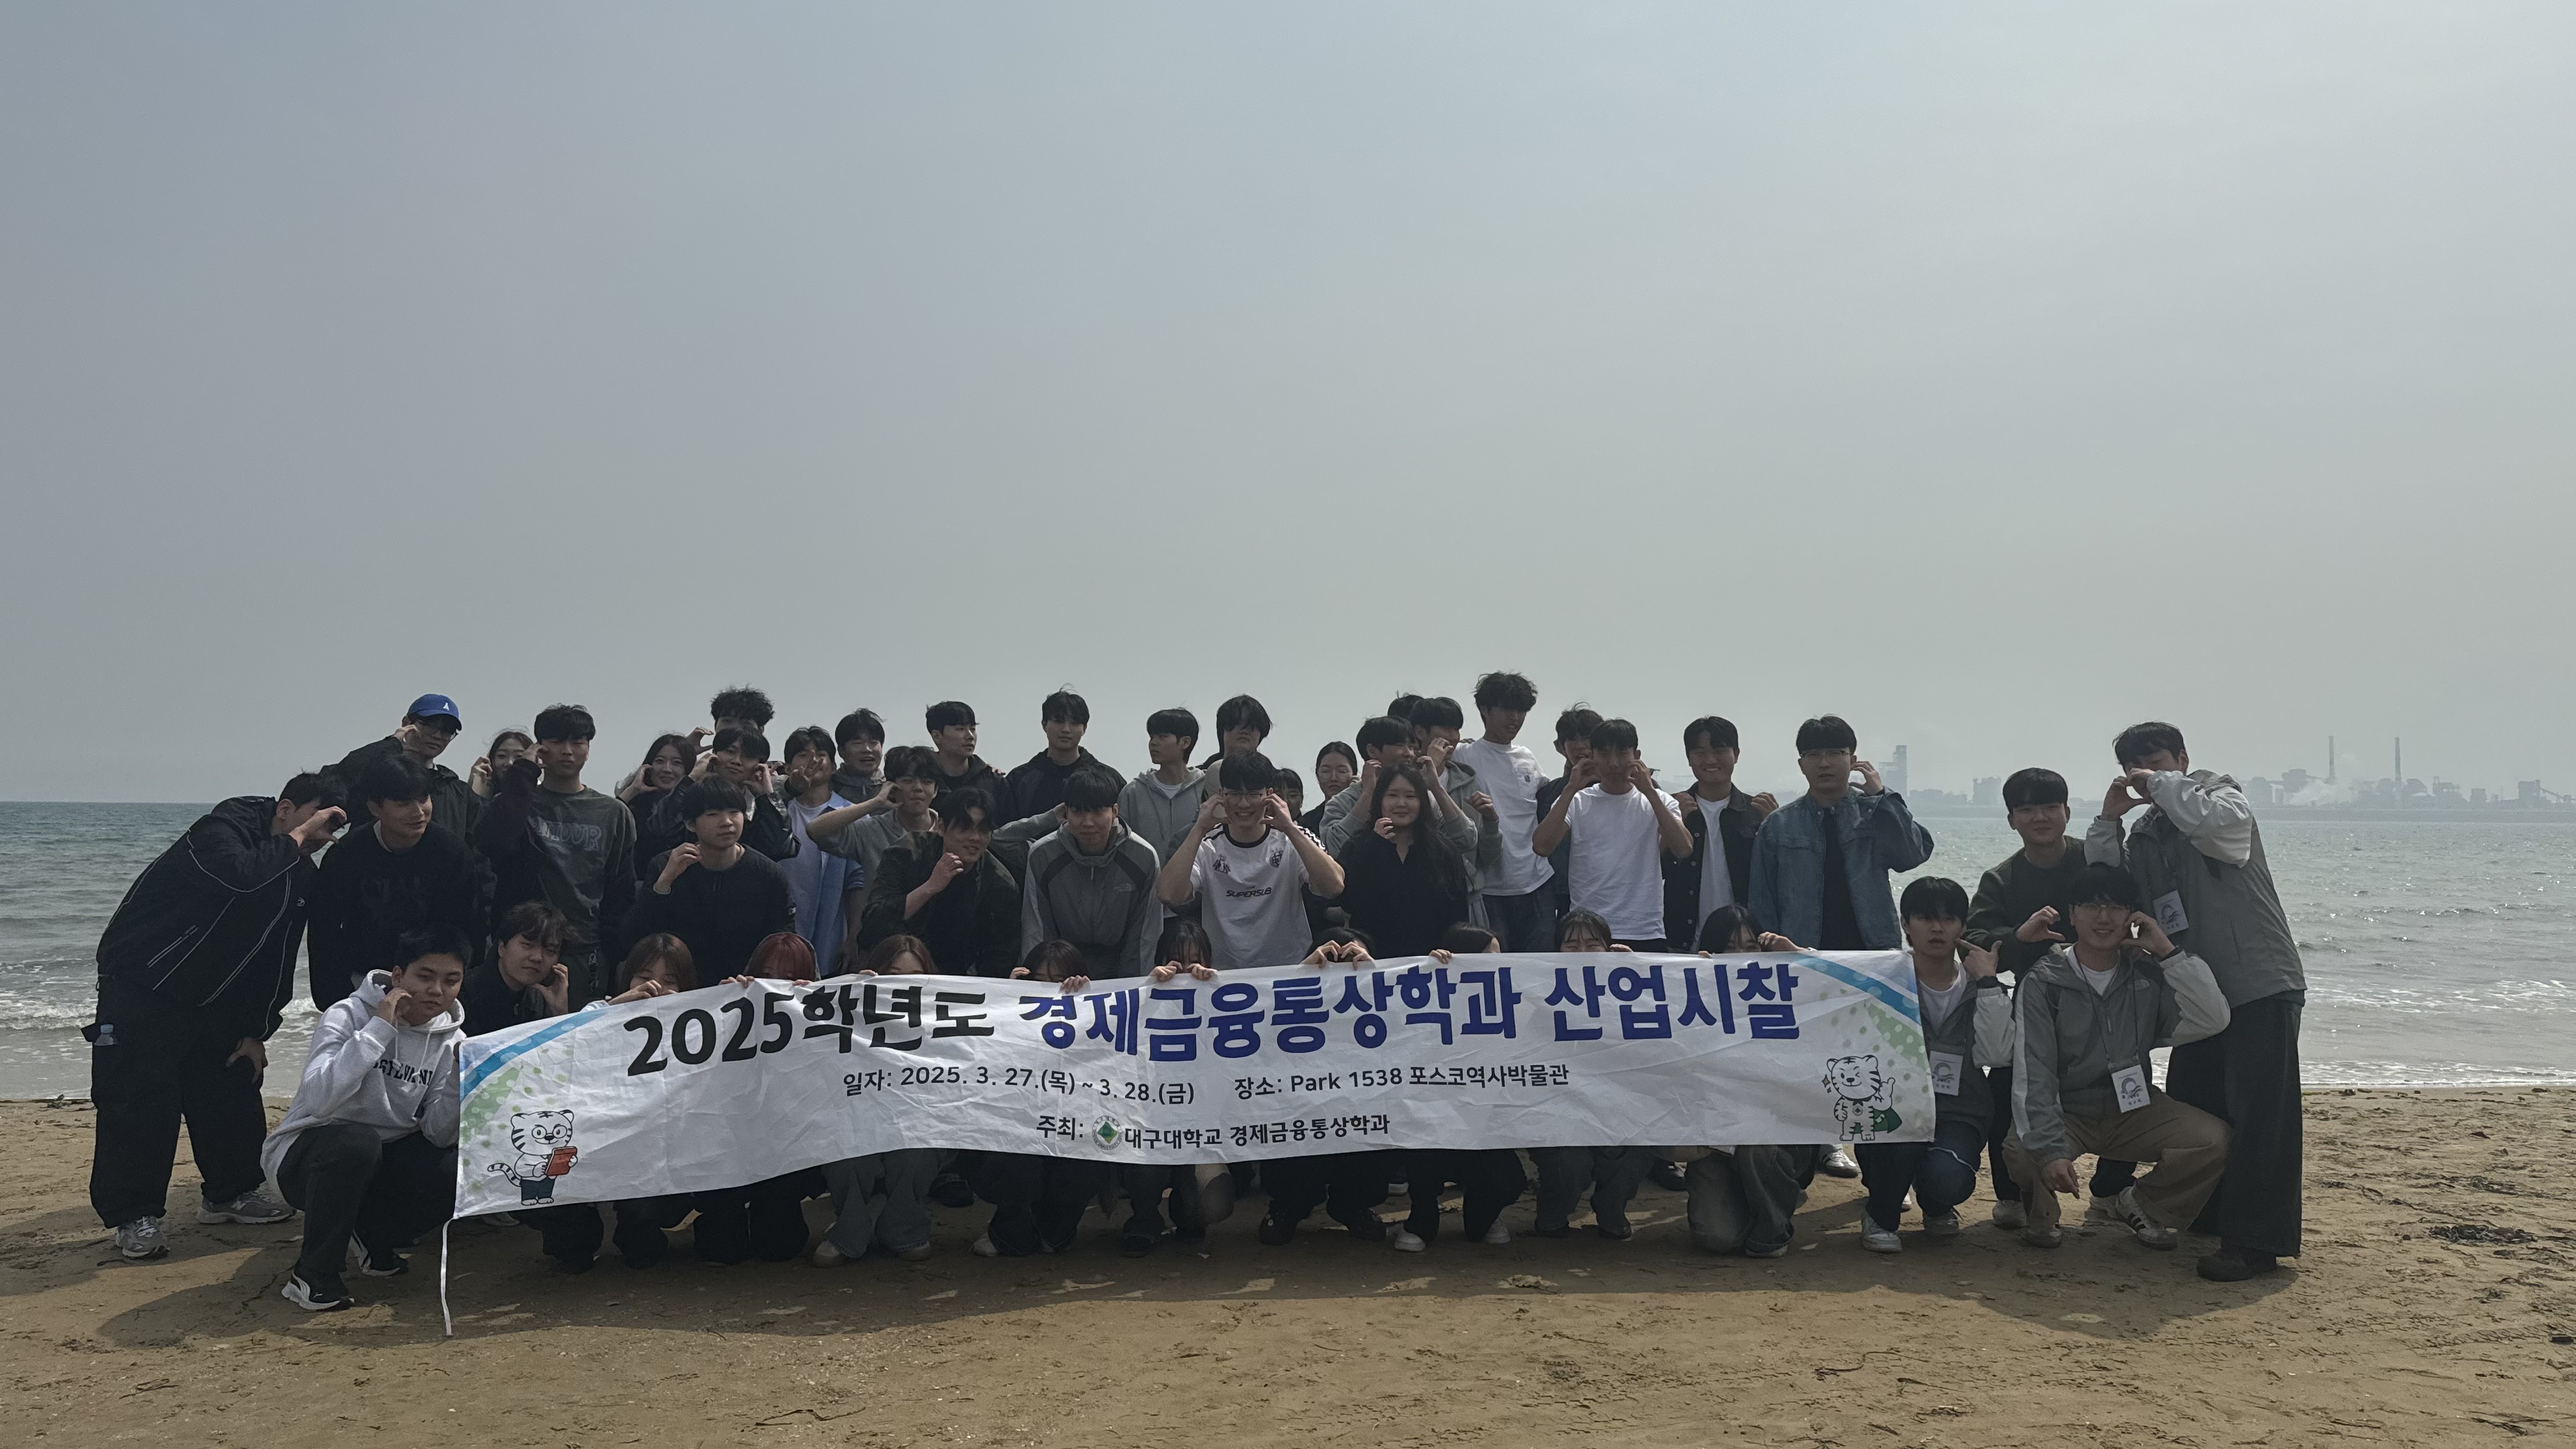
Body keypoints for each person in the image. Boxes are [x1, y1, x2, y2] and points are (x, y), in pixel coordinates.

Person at [88, 774, 346, 1261]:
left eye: (331, 828)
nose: (321, 836)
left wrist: (257, 1030)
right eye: (315, 821)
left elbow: (277, 957)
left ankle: (231, 1194)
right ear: (285, 809)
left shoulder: (299, 873)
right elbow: (239, 875)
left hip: (218, 999)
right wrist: (296, 840)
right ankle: (134, 1216)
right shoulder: (221, 830)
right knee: (140, 1103)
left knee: (231, 1089)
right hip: (144, 984)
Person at [2088, 722, 2307, 1282]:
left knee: (2263, 1119)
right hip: (2195, 992)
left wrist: (2161, 785)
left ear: (2183, 759)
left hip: (2258, 982)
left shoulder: (2220, 796)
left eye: (2157, 761)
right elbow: (2107, 888)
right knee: (2199, 1108)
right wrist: (2110, 820)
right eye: (2134, 767)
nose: (2146, 774)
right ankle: (2208, 1217)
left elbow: (2219, 831)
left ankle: (2256, 1244)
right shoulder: (2147, 833)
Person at [2005, 862, 2234, 1257]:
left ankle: (2143, 1205)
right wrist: (2050, 1151)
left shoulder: (2146, 974)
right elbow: (2033, 1071)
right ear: (2073, 914)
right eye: (2091, 907)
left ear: (2132, 916)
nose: (2104, 918)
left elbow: (2213, 1018)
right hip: (2068, 1111)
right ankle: (2042, 1216)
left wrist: (2167, 952)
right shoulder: (2044, 981)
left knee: (2212, 1140)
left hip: (2133, 1108)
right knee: (2024, 1152)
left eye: (2116, 907)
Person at [259, 925, 467, 1310]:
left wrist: (459, 1077)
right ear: (398, 976)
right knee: (356, 1142)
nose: (437, 991)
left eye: (451, 981)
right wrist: (380, 1029)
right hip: (307, 1155)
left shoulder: (451, 1039)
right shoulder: (349, 1014)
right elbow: (320, 1101)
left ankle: (371, 1234)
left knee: (456, 1169)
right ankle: (312, 1274)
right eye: (425, 977)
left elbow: (439, 1134)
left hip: (381, 1159)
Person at [1964, 766, 2125, 1230]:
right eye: (2028, 809)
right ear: (2011, 819)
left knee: (2124, 1084)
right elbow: (1975, 941)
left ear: (2068, 812)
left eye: (2050, 807)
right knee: (2006, 1087)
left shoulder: (2094, 862)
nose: (2040, 818)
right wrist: (2020, 937)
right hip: (2037, 1003)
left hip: (2108, 997)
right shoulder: (2001, 878)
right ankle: (2011, 1195)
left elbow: (2131, 905)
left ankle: (2112, 1189)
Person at [1855, 878, 2012, 1253]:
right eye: (1925, 918)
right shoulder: (1884, 979)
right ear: (1905, 924)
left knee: (1948, 1178)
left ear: (1963, 926)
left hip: (1959, 1111)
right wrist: (1793, 956)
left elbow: (1997, 1054)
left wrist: (1989, 983)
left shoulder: (1979, 985)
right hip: (1892, 1107)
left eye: (1949, 918)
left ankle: (1937, 1204)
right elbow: (1829, 980)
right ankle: (1880, 1215)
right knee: (1899, 1145)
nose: (1938, 928)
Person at [1675, 907, 1827, 1257]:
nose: (1741, 956)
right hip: (1714, 1148)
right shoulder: (1690, 1001)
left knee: (1758, 1150)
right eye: (1729, 947)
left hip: (1775, 1141)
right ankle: (1756, 1197)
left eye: (1750, 946)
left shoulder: (1786, 996)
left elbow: (1842, 983)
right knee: (1718, 1238)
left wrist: (1798, 955)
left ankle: (1772, 1229)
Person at [480, 704, 636, 1004]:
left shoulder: (613, 813)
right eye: (556, 741)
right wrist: (524, 772)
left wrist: (613, 950)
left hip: (584, 951)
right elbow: (494, 843)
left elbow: (621, 889)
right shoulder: (516, 803)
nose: (567, 751)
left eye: (577, 742)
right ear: (540, 747)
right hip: (523, 948)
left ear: (588, 748)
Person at [1390, 923, 1529, 1252]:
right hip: (1431, 1124)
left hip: (1485, 1126)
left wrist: (1619, 964)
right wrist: (1424, 975)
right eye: (1487, 958)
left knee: (1509, 1181)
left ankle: (1482, 1214)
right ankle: (1421, 1219)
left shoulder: (1514, 1001)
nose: (1496, 965)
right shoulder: (1422, 999)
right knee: (1424, 1160)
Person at [306, 753, 482, 1009]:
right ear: (375, 808)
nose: (418, 812)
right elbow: (325, 932)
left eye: (423, 799)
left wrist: (458, 991)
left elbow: (467, 927)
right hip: (364, 981)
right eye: (403, 803)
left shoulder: (452, 853)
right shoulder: (347, 855)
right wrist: (333, 999)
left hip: (430, 982)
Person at [1749, 716, 1935, 952]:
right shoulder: (1778, 825)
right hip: (1801, 953)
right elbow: (1762, 901)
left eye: (1835, 753)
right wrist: (1771, 954)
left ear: (1853, 760)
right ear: (1801, 764)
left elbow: (1912, 855)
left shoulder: (1873, 813)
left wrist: (1882, 797)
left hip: (1873, 953)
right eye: (1813, 755)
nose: (1824, 763)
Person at [970, 942, 1109, 1256]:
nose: (1048, 989)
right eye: (1039, 980)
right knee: (1019, 1160)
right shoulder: (1006, 1010)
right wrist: (1006, 998)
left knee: (1087, 1160)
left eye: (1059, 980)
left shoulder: (1098, 1015)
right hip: (1017, 1134)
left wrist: (1090, 1001)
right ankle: (1009, 1230)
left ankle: (1055, 1229)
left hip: (1074, 1131)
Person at [1528, 914, 1662, 1238]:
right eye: (1571, 946)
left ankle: (1611, 1210)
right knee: (1570, 1163)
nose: (1582, 953)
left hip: (1618, 1110)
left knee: (1639, 1150)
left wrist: (1640, 973)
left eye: (1592, 944)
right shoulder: (1537, 993)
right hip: (1559, 1111)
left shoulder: (1632, 991)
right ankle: (1552, 1215)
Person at [1156, 753, 1346, 970]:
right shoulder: (1207, 844)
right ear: (1221, 795)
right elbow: (1169, 895)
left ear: (1270, 795)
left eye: (1253, 794)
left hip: (1290, 970)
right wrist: (1199, 828)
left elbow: (1334, 886)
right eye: (1235, 794)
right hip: (1222, 974)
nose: (1244, 804)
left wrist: (1290, 828)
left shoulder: (1292, 838)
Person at [1530, 718, 1692, 950]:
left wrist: (1649, 791)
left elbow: (1684, 848)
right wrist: (1571, 787)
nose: (1614, 763)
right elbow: (1541, 846)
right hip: (1588, 932)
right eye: (1604, 754)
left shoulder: (1660, 800)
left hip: (1644, 928)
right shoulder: (1577, 800)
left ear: (1637, 756)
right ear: (1593, 757)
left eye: (1622, 753)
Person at [621, 777, 797, 982]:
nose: (727, 822)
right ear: (690, 824)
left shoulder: (768, 874)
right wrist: (664, 883)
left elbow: (782, 943)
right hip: (679, 986)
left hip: (743, 986)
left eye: (734, 812)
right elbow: (632, 938)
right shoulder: (666, 865)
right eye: (713, 814)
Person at [1116, 919, 1220, 1257]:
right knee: (1143, 1166)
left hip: (1202, 1125)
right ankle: (1145, 1219)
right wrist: (1149, 991)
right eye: (1177, 960)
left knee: (1212, 1201)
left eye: (1195, 960)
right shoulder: (1140, 998)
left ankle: (1187, 1214)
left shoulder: (1228, 1001)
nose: (1187, 969)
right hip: (1151, 1119)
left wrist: (1214, 994)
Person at [1005, 763, 1162, 979]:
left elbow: (1144, 936)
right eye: (1078, 812)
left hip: (1119, 972)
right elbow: (1037, 929)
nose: (1088, 823)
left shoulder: (1143, 857)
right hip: (1060, 972)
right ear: (1066, 812)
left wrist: (1136, 986)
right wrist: (1038, 982)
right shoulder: (1043, 854)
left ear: (1115, 812)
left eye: (1098, 812)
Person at [856, 787, 1021, 977]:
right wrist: (930, 887)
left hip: (959, 980)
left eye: (984, 830)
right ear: (941, 827)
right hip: (896, 969)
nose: (975, 838)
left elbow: (1001, 957)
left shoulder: (1000, 883)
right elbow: (873, 926)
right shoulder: (907, 853)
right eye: (965, 828)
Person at [1456, 672, 1556, 952]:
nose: (1515, 718)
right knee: (1497, 969)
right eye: (1507, 709)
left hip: (1537, 882)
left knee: (1539, 967)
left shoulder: (1527, 758)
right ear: (1484, 710)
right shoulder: (1463, 755)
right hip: (1488, 888)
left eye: (1521, 711)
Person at [1332, 762, 1472, 958]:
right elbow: (1349, 903)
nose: (1401, 804)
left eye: (1410, 796)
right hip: (1371, 961)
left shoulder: (1443, 850)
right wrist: (1376, 847)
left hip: (1434, 961)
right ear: (1379, 799)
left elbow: (1458, 914)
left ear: (1422, 802)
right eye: (1392, 795)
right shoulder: (1359, 845)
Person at [1664, 716, 1779, 951]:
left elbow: (1780, 875)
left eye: (1719, 750)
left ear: (1736, 754)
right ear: (1689, 758)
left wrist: (1775, 825)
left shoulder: (1757, 812)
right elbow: (1649, 868)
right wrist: (1672, 822)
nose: (1710, 760)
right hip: (1680, 942)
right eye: (1700, 752)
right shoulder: (1671, 809)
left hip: (1744, 943)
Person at [1316, 715, 1481, 866]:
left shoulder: (1425, 797)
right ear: (1372, 751)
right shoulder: (1343, 802)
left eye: (1411, 746)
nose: (1409, 754)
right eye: (1400, 745)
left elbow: (1466, 841)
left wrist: (1436, 787)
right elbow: (1334, 850)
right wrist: (1368, 795)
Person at [326, 693, 481, 852]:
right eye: (430, 725)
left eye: (447, 731)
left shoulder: (459, 791)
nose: (437, 736)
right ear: (407, 723)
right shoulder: (377, 774)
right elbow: (333, 783)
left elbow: (477, 847)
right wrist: (391, 744)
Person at [776, 725, 863, 977]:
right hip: (780, 936)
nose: (813, 761)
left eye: (821, 755)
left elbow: (858, 884)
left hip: (831, 941)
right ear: (788, 767)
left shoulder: (852, 815)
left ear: (834, 766)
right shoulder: (774, 813)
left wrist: (854, 938)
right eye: (803, 755)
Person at [809, 744, 941, 882]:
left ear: (936, 790)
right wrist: (875, 803)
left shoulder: (948, 829)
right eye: (908, 781)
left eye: (927, 782)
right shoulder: (873, 830)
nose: (918, 788)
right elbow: (815, 830)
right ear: (891, 787)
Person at [460, 901, 572, 1036]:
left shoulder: (543, 997)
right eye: (527, 945)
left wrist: (560, 1013)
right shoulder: (464, 995)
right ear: (502, 947)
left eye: (550, 951)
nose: (537, 957)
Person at [1533, 706, 1602, 925]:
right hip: (1563, 897)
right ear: (1560, 747)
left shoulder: (1631, 787)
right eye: (1572, 739)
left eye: (1587, 737)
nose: (1580, 746)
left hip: (1617, 893)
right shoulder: (1549, 793)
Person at [1118, 707, 1207, 864]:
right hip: (1146, 879)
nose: (1153, 743)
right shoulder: (1133, 792)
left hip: (1197, 878)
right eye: (1152, 737)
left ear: (1185, 742)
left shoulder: (1205, 789)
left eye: (1162, 737)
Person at [1002, 689, 1108, 820]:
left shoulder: (1108, 778)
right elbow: (1004, 829)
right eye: (1059, 721)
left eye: (1075, 723)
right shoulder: (1019, 780)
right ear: (1044, 725)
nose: (1066, 729)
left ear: (1084, 728)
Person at [924, 701, 1006, 817]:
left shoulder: (993, 782)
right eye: (960, 729)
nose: (970, 736)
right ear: (937, 736)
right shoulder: (922, 780)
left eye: (973, 729)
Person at [615, 733, 697, 813]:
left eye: (677, 762)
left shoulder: (696, 809)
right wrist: (633, 790)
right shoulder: (633, 808)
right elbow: (610, 819)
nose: (667, 769)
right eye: (660, 761)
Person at [830, 709, 888, 806]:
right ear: (841, 751)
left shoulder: (893, 790)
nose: (867, 749)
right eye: (858, 743)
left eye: (874, 742)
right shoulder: (827, 788)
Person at [1203, 694, 1273, 769]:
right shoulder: (1198, 775)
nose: (1245, 731)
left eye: (1252, 726)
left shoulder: (1271, 775)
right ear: (1223, 729)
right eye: (1237, 723)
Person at [1304, 743, 1358, 834]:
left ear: (1354, 774)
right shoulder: (1306, 823)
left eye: (1342, 771)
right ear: (1317, 775)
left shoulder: (1369, 813)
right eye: (1326, 771)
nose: (1333, 778)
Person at [469, 729, 532, 801]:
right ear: (492, 761)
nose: (509, 763)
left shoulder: (540, 799)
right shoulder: (486, 799)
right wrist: (473, 788)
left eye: (519, 756)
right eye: (502, 756)